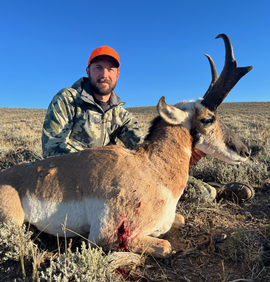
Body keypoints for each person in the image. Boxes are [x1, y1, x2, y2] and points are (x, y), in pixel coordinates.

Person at [42, 45, 254, 202]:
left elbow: (143, 154)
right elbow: (52, 150)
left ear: (117, 75)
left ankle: (214, 190)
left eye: (110, 69)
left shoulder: (122, 116)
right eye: (98, 68)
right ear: (88, 70)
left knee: (174, 187)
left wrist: (178, 155)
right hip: (71, 180)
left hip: (112, 180)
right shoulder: (67, 99)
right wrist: (99, 167)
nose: (104, 74)